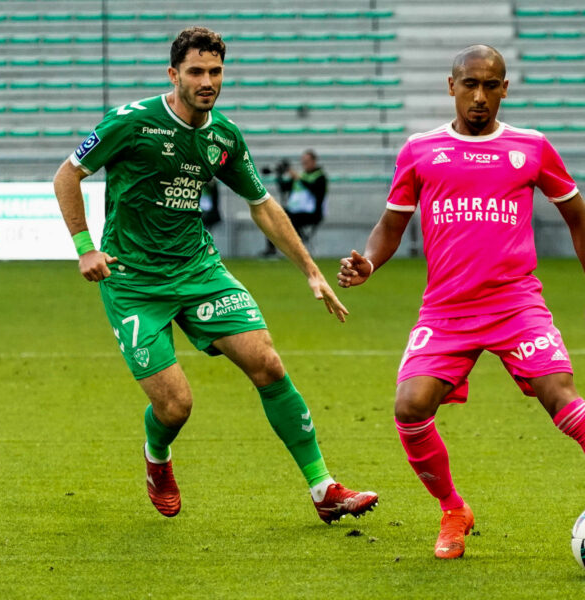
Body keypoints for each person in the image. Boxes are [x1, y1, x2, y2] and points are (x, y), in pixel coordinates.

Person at [338, 45, 585, 559]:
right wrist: (369, 261)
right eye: (470, 84)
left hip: (516, 305)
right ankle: (453, 510)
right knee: (409, 407)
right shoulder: (420, 150)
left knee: (560, 396)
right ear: (450, 86)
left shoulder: (532, 147)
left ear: (505, 89)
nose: (480, 96)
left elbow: (580, 219)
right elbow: (391, 224)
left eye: (491, 85)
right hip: (447, 311)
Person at [52, 26, 378, 523]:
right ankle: (157, 460)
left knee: (267, 363)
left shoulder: (223, 135)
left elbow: (262, 205)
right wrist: (84, 249)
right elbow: (67, 175)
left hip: (199, 269)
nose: (208, 81)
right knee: (176, 405)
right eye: (197, 71)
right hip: (133, 280)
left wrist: (311, 271)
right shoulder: (132, 122)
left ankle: (323, 488)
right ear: (174, 74)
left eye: (216, 71)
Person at [262, 150, 327, 257]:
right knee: (273, 215)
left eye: (307, 161)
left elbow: (316, 190)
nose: (304, 164)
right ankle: (271, 249)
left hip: (312, 214)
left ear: (314, 161)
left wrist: (298, 178)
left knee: (291, 219)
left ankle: (296, 250)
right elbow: (284, 188)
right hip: (295, 211)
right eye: (303, 162)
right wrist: (279, 176)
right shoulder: (301, 176)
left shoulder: (320, 177)